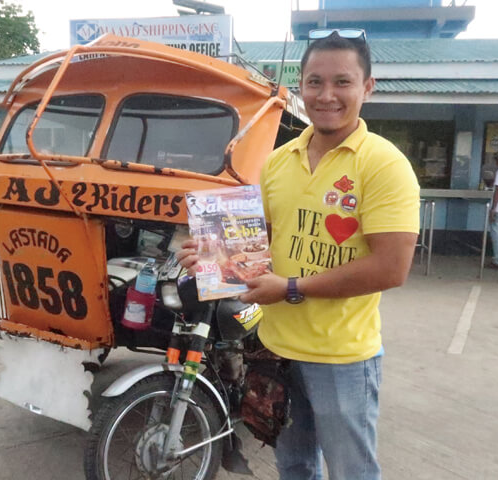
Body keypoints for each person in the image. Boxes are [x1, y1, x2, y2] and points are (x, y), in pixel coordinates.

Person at [178, 29, 420, 480]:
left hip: (343, 357)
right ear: (300, 87)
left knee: (351, 471)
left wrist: (290, 287)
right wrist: (212, 255)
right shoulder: (279, 161)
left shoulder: (384, 164)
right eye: (314, 81)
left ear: (367, 87)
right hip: (275, 349)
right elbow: (260, 242)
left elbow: (392, 266)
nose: (326, 95)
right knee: (293, 466)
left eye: (342, 82)